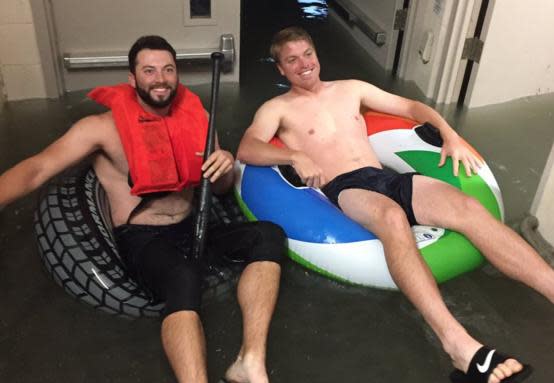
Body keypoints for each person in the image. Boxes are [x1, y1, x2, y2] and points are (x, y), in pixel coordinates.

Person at [237, 26, 554, 383]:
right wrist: (295, 155)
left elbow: (411, 107)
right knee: (390, 218)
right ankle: (459, 347)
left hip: (387, 178)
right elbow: (247, 148)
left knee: (468, 208)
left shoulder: (351, 89)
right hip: (346, 187)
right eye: (291, 60)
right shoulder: (277, 109)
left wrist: (451, 135)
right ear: (280, 69)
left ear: (316, 54)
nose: (303, 64)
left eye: (307, 54)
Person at [0, 35, 285, 383]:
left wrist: (224, 164)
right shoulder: (101, 129)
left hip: (191, 225)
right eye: (149, 70)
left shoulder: (199, 120)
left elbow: (221, 189)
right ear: (133, 79)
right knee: (183, 276)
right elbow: (36, 170)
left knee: (268, 235)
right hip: (142, 237)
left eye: (167, 69)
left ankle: (250, 360)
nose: (160, 78)